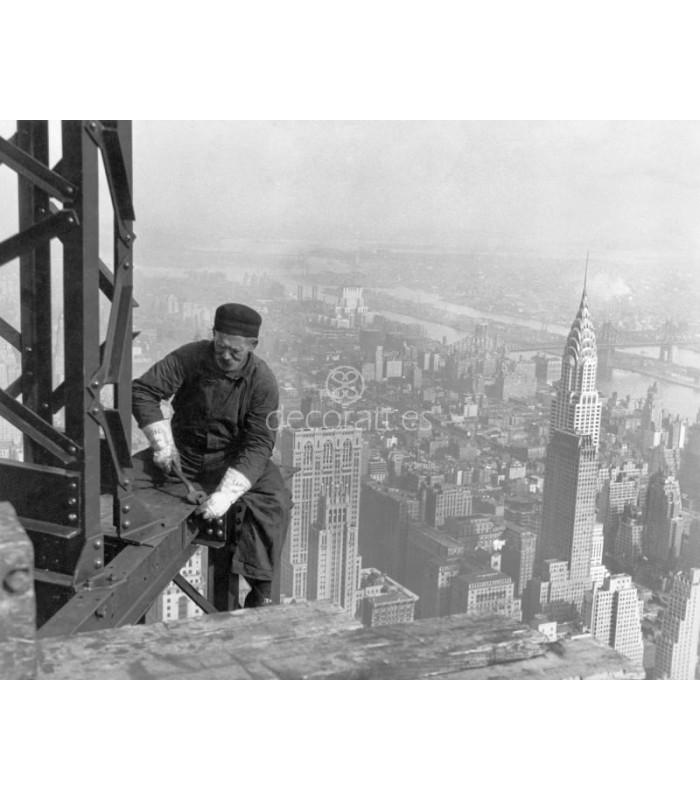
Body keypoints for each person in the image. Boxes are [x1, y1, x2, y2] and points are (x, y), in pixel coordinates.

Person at [132, 302, 291, 609]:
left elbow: (259, 443)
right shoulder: (189, 357)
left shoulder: (262, 381)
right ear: (213, 335)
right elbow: (144, 391)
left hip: (232, 461)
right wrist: (162, 444)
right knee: (122, 478)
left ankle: (261, 588)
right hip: (183, 455)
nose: (225, 356)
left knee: (275, 501)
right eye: (220, 346)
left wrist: (225, 496)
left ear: (252, 346)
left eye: (235, 351)